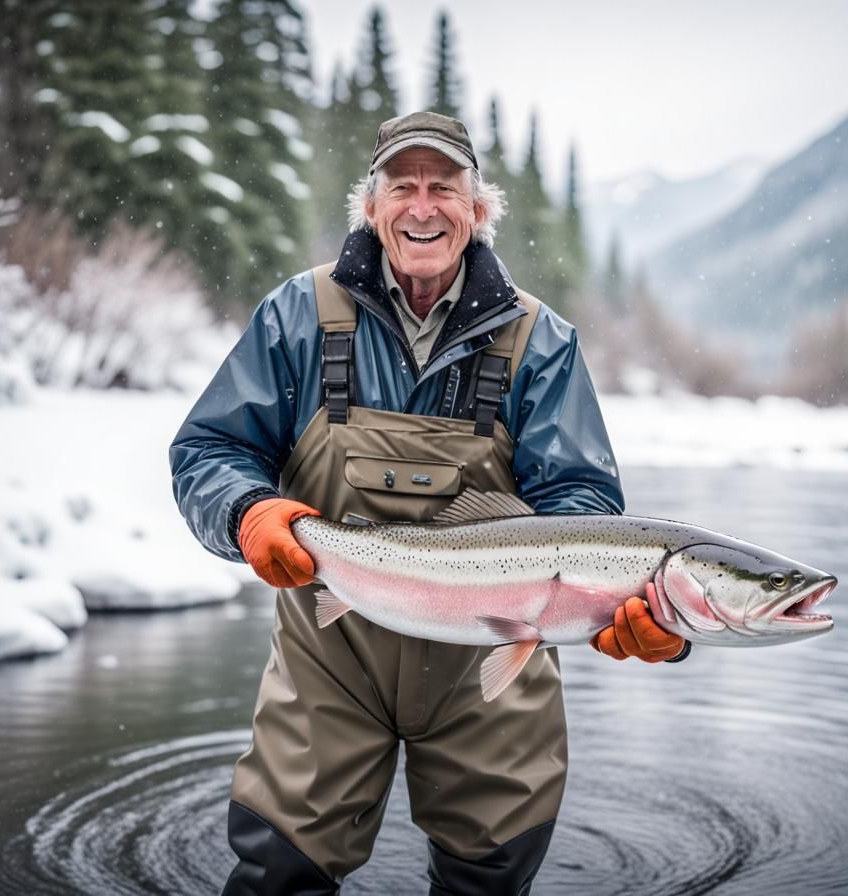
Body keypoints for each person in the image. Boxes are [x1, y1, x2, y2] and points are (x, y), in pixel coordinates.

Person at [169, 111, 689, 896]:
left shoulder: (540, 341)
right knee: (279, 872)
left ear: (477, 210)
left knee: (490, 876)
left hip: (495, 662)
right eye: (401, 186)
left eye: (443, 187)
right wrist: (247, 510)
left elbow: (582, 505)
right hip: (330, 657)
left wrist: (643, 613)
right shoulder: (297, 316)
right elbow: (209, 451)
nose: (421, 206)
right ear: (370, 207)